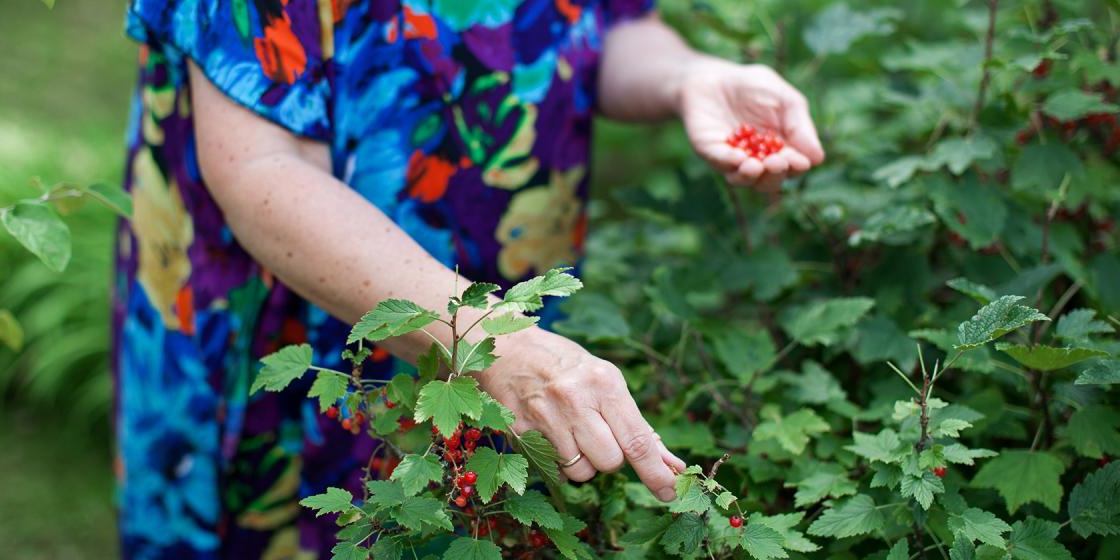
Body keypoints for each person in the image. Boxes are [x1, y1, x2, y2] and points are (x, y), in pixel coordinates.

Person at [113, 0, 824, 556]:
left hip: (496, 296)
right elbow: (262, 168)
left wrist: (686, 76)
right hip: (280, 308)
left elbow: (603, 27)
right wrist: (490, 339)